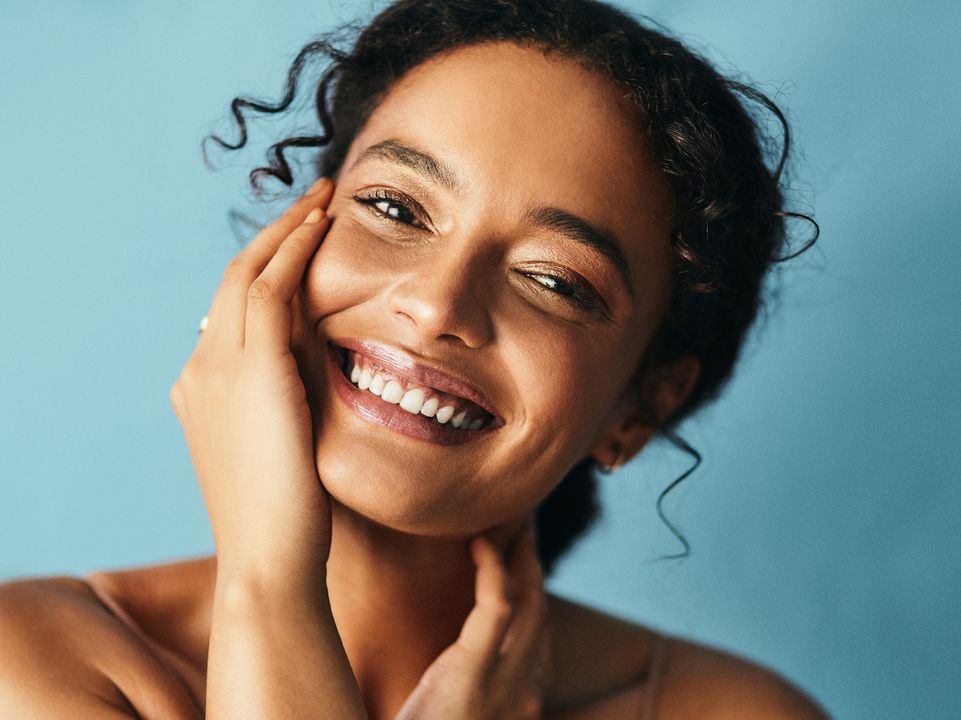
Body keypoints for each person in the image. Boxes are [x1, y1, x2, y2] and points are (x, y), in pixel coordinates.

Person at [0, 1, 825, 717]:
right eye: (393, 206)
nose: (436, 305)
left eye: (553, 281)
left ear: (639, 408)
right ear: (290, 242)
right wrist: (269, 580)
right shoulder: (33, 663)